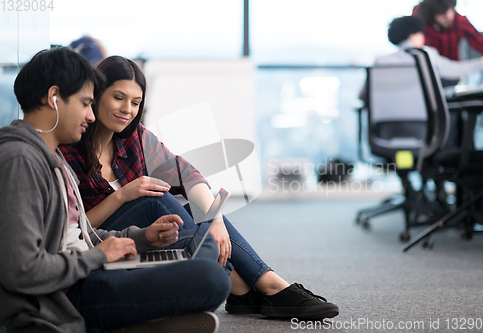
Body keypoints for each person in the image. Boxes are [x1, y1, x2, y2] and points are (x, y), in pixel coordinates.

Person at [59, 55, 340, 320]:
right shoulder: (68, 148)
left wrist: (214, 218)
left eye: (135, 102)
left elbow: (188, 175)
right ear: (96, 95)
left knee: (195, 208)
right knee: (153, 199)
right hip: (96, 239)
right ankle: (255, 287)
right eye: (118, 98)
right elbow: (72, 227)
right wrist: (121, 196)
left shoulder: (137, 139)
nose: (127, 110)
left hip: (145, 234)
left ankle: (258, 286)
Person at [0, 47, 230, 333]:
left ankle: (138, 316)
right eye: (86, 103)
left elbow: (83, 235)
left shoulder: (52, 158)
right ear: (54, 98)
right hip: (66, 296)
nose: (91, 115)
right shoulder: (20, 160)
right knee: (212, 278)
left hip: (87, 269)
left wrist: (141, 238)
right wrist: (99, 257)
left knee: (203, 244)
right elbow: (20, 271)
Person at [359, 15, 483, 102]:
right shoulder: (425, 55)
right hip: (423, 127)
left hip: (385, 129)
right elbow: (453, 69)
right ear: (414, 37)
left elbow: (363, 96)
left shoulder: (380, 62)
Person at [412, 0, 483, 61]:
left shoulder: (460, 20)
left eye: (451, 10)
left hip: (452, 72)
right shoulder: (420, 18)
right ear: (432, 15)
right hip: (429, 69)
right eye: (443, 15)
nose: (450, 17)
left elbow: (481, 43)